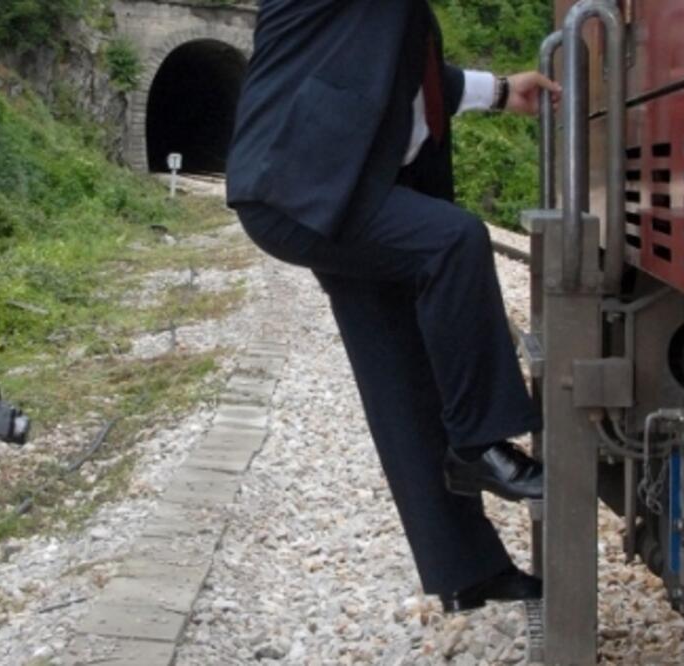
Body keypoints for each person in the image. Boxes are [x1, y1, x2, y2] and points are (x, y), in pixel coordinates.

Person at [226, 1, 561, 613]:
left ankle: (468, 570)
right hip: (296, 188)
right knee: (454, 241)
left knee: (397, 373)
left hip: (334, 189)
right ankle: (478, 445)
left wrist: (502, 91)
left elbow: (406, 74)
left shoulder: (385, 18)